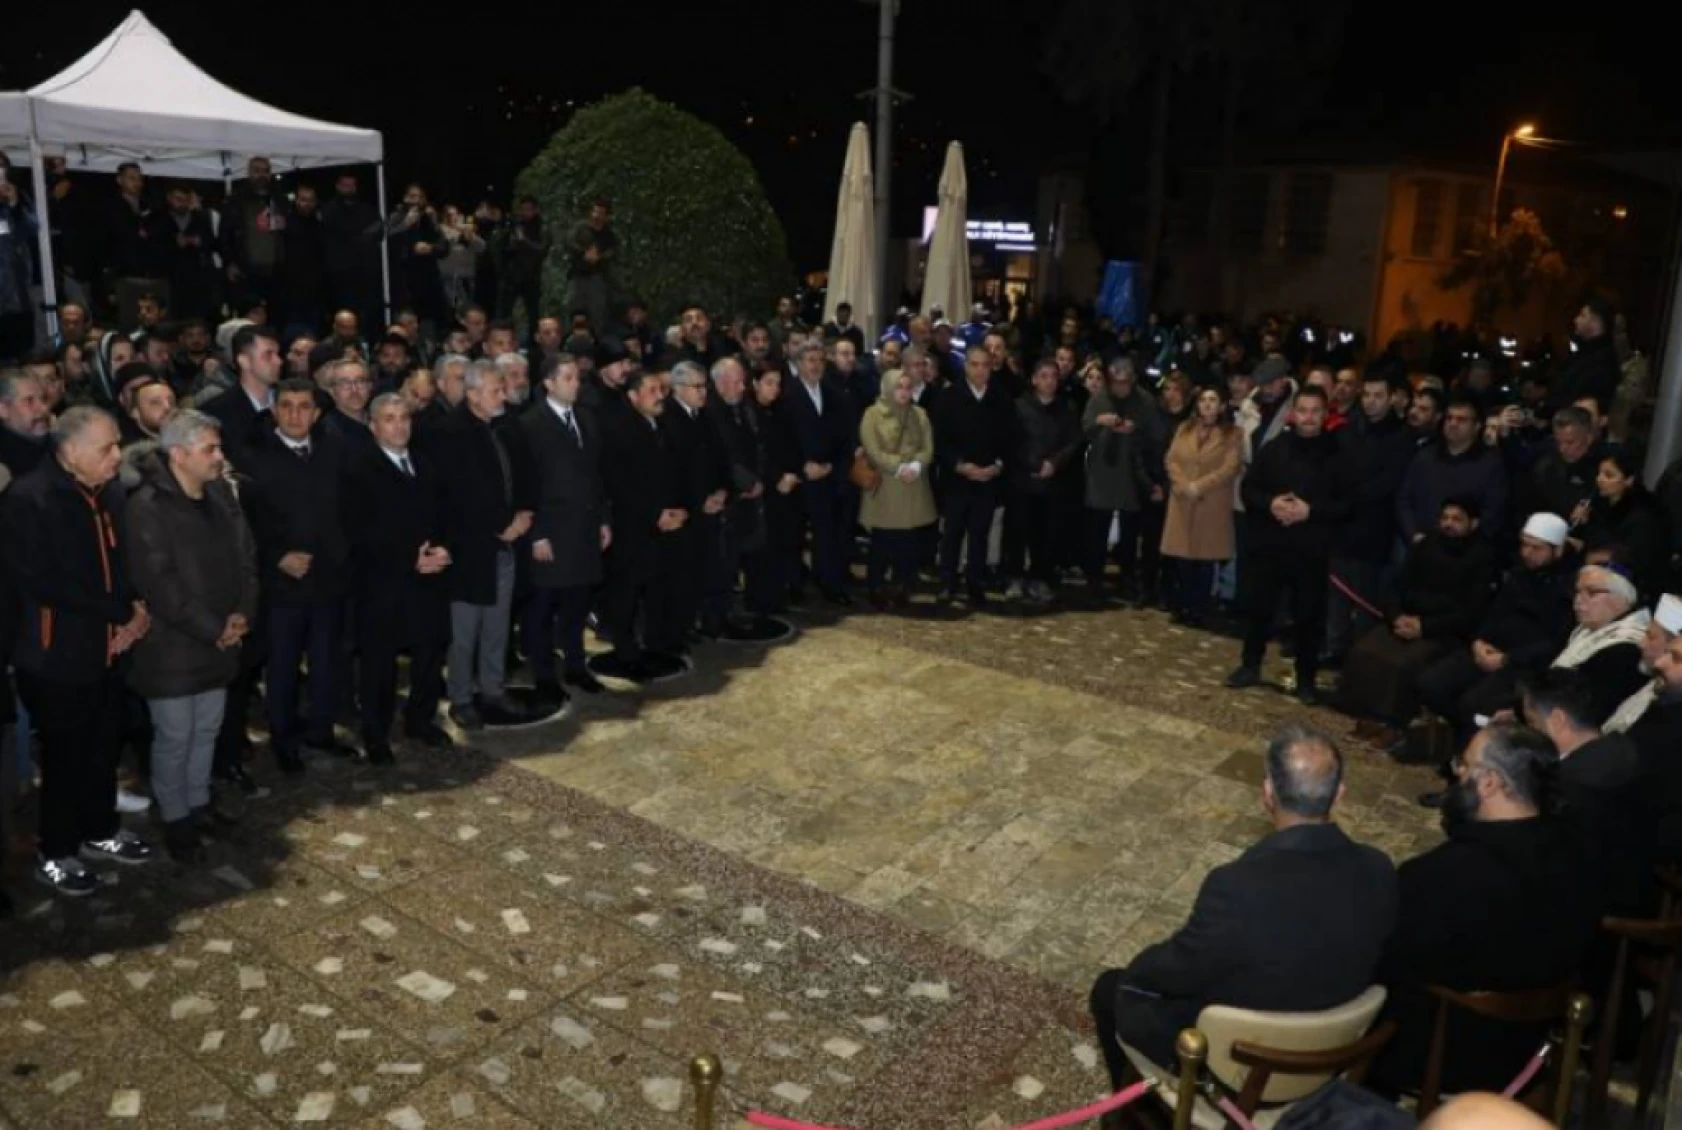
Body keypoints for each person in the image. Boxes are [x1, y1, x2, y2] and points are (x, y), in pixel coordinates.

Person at [1088, 725, 1396, 1084]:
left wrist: (1138, 972)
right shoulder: (1379, 868)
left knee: (1114, 989)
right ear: (1339, 795)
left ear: (1267, 793)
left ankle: (1141, 1114)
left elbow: (1179, 969)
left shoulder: (1236, 887)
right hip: (1332, 1050)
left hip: (1244, 1063)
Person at [1371, 723, 1597, 1098]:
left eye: (1464, 766)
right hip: (1530, 1048)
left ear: (1490, 783)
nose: (1456, 773)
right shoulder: (1577, 852)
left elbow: (1391, 957)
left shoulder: (1446, 875)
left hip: (1447, 1054)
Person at [3, 407, 158, 895]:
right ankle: (58, 850)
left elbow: (121, 557)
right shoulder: (29, 499)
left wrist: (136, 608)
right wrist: (117, 611)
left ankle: (101, 830)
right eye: (107, 448)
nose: (118, 456)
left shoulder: (105, 492)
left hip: (108, 648)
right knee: (66, 756)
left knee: (103, 745)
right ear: (70, 453)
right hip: (55, 655)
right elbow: (42, 582)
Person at [123, 411, 256, 860]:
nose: (220, 457)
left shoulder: (218, 494)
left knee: (207, 730)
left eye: (219, 448)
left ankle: (199, 804)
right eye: (210, 450)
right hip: (173, 648)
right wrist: (213, 627)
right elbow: (160, 584)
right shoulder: (147, 507)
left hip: (220, 639)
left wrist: (241, 614)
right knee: (176, 735)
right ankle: (176, 817)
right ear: (178, 455)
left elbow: (245, 558)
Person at [241, 378, 354, 773]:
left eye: (303, 406)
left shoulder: (334, 450)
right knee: (284, 665)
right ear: (273, 412)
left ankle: (321, 731)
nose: (294, 414)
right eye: (286, 406)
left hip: (328, 579)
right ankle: (284, 739)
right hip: (282, 582)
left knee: (327, 662)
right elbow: (245, 523)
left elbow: (349, 509)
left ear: (317, 412)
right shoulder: (253, 458)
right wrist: (277, 557)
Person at [344, 394, 453, 763]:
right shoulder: (359, 469)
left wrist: (444, 549)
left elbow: (444, 514)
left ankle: (420, 720)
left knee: (428, 654)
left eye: (404, 417)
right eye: (389, 419)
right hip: (382, 584)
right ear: (373, 426)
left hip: (428, 581)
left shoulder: (425, 463)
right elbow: (359, 531)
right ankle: (376, 734)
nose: (399, 425)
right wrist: (411, 558)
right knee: (380, 664)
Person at [1226, 385, 1350, 705]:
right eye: (1303, 411)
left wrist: (1311, 510)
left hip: (1311, 550)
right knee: (1259, 610)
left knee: (1309, 617)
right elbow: (1249, 490)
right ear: (1293, 414)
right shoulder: (1274, 448)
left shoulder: (1339, 455)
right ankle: (1250, 665)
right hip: (1271, 545)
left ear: (1326, 415)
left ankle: (1306, 679)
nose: (1308, 418)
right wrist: (1271, 504)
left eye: (1315, 411)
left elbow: (1348, 505)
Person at [429, 360, 532, 728]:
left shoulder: (502, 427)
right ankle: (460, 696)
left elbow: (521, 475)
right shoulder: (449, 433)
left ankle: (493, 689)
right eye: (494, 389)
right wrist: (502, 525)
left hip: (504, 545)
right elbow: (459, 495)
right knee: (464, 631)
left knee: (497, 626)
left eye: (502, 388)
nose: (502, 394)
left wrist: (523, 514)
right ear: (472, 394)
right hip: (468, 549)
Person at [1338, 500, 1495, 739]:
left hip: (1444, 632)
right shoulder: (1427, 545)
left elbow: (1471, 613)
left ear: (1473, 523)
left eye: (1457, 519)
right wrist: (1397, 617)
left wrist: (1424, 627)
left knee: (1404, 665)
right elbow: (1396, 586)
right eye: (1445, 518)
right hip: (1406, 620)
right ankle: (1368, 717)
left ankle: (1394, 726)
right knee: (1365, 651)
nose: (1449, 524)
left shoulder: (1482, 558)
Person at [1416, 513, 1577, 731]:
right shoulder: (1520, 572)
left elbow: (1554, 642)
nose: (1526, 553)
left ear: (1557, 550)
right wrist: (1478, 641)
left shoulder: (1569, 587)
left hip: (1523, 664)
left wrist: (1507, 660)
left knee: (1474, 704)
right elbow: (1493, 611)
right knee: (1430, 683)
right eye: (1524, 545)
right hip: (1489, 648)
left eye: (1536, 548)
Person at [1521, 668, 1649, 916]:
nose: (1529, 732)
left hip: (1581, 906)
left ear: (1557, 720)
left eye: (1531, 722)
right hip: (1633, 886)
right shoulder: (1624, 748)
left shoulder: (1562, 784)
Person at [519, 352, 610, 702]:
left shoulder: (587, 419)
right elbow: (528, 482)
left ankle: (576, 665)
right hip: (551, 531)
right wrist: (537, 532)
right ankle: (544, 674)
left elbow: (597, 476)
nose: (576, 384)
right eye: (569, 378)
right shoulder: (531, 424)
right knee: (544, 607)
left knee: (577, 603)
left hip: (584, 527)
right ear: (549, 383)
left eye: (577, 377)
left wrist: (604, 519)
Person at [598, 367, 685, 681]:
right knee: (627, 591)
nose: (659, 396)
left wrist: (677, 509)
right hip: (632, 526)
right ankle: (625, 650)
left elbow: (674, 470)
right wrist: (654, 514)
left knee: (657, 586)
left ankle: (655, 642)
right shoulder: (618, 429)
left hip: (664, 523)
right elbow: (619, 484)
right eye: (651, 391)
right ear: (633, 396)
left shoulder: (663, 425)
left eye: (660, 390)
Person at [1327, 367, 1416, 662]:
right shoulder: (1349, 430)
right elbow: (1338, 471)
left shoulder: (1403, 437)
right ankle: (1334, 646)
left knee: (1366, 597)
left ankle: (1359, 655)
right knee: (1338, 594)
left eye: (1379, 396)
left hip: (1375, 528)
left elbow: (1389, 481)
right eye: (1367, 395)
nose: (1371, 401)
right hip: (1343, 524)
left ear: (1392, 399)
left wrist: (1353, 495)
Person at [649, 361, 727, 655]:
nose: (703, 391)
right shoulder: (667, 418)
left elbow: (719, 458)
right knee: (674, 578)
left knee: (696, 573)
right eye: (697, 386)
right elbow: (670, 472)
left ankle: (685, 626)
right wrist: (697, 503)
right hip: (681, 511)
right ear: (679, 388)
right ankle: (667, 635)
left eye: (705, 386)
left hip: (707, 509)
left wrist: (722, 491)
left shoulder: (705, 416)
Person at [933, 346, 1016, 606]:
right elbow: (939, 440)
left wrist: (998, 466)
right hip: (957, 478)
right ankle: (948, 581)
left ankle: (975, 582)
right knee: (953, 532)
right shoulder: (948, 397)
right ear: (965, 366)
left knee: (980, 533)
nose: (980, 370)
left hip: (988, 478)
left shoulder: (1001, 399)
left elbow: (1010, 440)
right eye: (975, 364)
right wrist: (959, 465)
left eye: (985, 365)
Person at [1083, 357, 1163, 604]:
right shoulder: (1099, 399)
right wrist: (1100, 422)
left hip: (1131, 473)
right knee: (1097, 529)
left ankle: (1127, 577)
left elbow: (1156, 435)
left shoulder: (1145, 401)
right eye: (1116, 383)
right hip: (1103, 472)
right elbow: (1085, 428)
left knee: (1130, 532)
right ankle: (1094, 578)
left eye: (1125, 383)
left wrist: (1134, 428)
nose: (1120, 388)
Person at [1161, 384, 1241, 627]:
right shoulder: (1184, 428)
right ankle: (1182, 604)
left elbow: (1230, 467)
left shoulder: (1232, 433)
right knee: (1183, 557)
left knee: (1204, 560)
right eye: (1203, 400)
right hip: (1183, 500)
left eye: (1213, 400)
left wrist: (1200, 486)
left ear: (1222, 405)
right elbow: (1171, 459)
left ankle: (1199, 607)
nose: (1207, 404)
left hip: (1211, 502)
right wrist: (1182, 483)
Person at [783, 341, 855, 605]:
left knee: (828, 533)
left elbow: (846, 437)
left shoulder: (836, 395)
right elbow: (781, 439)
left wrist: (832, 467)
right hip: (798, 477)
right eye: (810, 360)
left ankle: (828, 582)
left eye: (820, 360)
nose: (815, 366)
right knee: (793, 534)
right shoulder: (785, 394)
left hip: (827, 476)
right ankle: (793, 584)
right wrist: (802, 467)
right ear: (799, 363)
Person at [858, 368, 937, 608]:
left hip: (912, 486)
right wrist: (898, 466)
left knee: (908, 541)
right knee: (882, 541)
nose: (904, 392)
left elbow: (928, 448)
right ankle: (876, 587)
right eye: (898, 387)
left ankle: (903, 585)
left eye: (907, 387)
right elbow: (872, 450)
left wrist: (916, 464)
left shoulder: (920, 414)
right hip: (886, 487)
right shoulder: (872, 415)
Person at [1005, 359, 1080, 602]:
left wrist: (1054, 463)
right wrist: (1035, 463)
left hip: (1051, 483)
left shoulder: (1066, 409)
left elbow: (1073, 442)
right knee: (1017, 532)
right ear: (1034, 379)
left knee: (1045, 534)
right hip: (1022, 480)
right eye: (1044, 376)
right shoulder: (1018, 407)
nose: (1049, 381)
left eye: (1054, 377)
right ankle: (1014, 577)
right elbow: (1013, 441)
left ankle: (1039, 578)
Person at [1396, 396, 1507, 545]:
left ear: (1477, 426)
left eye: (1461, 420)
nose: (1453, 424)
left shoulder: (1491, 464)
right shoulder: (1425, 456)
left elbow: (1493, 512)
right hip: (1420, 546)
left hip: (1466, 553)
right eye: (1449, 418)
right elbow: (1405, 500)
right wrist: (1413, 534)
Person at [1581, 447, 1670, 600]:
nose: (1599, 479)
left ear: (1629, 480)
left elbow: (1638, 561)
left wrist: (1605, 556)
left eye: (1609, 475)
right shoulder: (1599, 503)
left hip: (1628, 587)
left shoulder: (1644, 516)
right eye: (1599, 473)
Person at [201, 324, 281, 455]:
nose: (278, 361)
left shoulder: (291, 401)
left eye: (278, 354)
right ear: (244, 361)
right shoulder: (216, 413)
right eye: (268, 355)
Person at [320, 173, 384, 333]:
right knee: (342, 315)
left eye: (352, 185)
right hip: (339, 274)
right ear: (337, 186)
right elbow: (337, 235)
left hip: (365, 274)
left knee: (367, 317)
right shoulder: (328, 210)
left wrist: (364, 236)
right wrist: (361, 235)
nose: (349, 189)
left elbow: (379, 230)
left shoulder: (367, 209)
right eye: (345, 185)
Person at [1551, 298, 1621, 413]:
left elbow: (1575, 399)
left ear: (1596, 322)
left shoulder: (1601, 362)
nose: (1576, 320)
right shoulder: (1583, 354)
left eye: (1582, 315)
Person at [497, 196, 551, 341]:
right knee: (504, 313)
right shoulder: (514, 225)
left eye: (528, 209)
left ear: (536, 210)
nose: (525, 212)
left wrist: (524, 241)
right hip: (512, 276)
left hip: (531, 276)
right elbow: (502, 249)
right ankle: (504, 340)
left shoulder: (542, 227)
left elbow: (542, 250)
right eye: (523, 209)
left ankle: (534, 345)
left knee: (533, 314)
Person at [567, 197, 617, 339]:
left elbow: (612, 252)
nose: (596, 215)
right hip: (578, 275)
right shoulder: (580, 228)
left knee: (597, 312)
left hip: (597, 277)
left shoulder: (608, 234)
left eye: (600, 213)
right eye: (595, 211)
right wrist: (584, 252)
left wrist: (599, 257)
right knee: (575, 308)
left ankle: (596, 341)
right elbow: (569, 243)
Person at [0, 369, 52, 479]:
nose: (44, 409)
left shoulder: (57, 442)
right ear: (3, 409)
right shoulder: (5, 466)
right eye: (29, 401)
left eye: (43, 399)